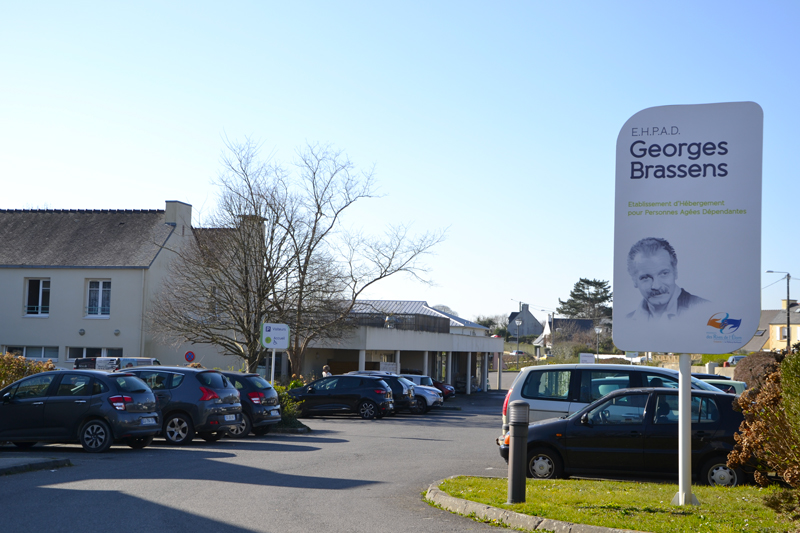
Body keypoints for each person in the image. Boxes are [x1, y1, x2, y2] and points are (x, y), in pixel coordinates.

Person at [626, 237, 709, 322]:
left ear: (675, 272)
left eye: (664, 273)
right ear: (634, 280)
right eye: (646, 278)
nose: (656, 286)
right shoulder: (627, 321)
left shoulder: (707, 311)